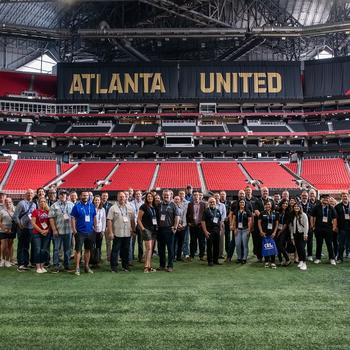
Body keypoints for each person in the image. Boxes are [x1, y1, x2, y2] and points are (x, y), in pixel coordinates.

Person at [107, 192, 135, 273]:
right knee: (115, 250)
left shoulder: (130, 208)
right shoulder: (113, 208)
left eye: (123, 197)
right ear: (117, 198)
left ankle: (125, 266)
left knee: (126, 250)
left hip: (127, 233)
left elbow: (132, 220)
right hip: (117, 233)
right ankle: (113, 267)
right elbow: (109, 220)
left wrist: (133, 230)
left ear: (126, 198)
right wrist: (110, 232)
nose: (122, 198)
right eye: (120, 197)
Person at [71, 191, 97, 275]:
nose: (85, 196)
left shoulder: (92, 205)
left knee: (88, 250)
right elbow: (73, 218)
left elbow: (94, 217)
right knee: (78, 250)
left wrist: (95, 227)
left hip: (90, 231)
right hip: (80, 232)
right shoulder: (76, 206)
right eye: (84, 195)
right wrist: (74, 230)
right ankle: (77, 268)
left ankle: (86, 266)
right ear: (80, 196)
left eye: (87, 195)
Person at [49, 189, 74, 273]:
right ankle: (56, 266)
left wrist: (74, 229)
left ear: (66, 196)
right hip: (58, 231)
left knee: (67, 249)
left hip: (69, 231)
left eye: (64, 194)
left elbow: (74, 217)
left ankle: (67, 266)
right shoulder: (54, 205)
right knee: (56, 249)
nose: (63, 196)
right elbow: (51, 218)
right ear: (58, 195)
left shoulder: (71, 204)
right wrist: (54, 229)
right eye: (61, 194)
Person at [156, 189, 180, 272]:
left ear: (171, 196)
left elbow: (177, 217)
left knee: (170, 249)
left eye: (167, 195)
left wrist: (175, 227)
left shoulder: (173, 205)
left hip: (169, 229)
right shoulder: (159, 205)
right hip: (160, 229)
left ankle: (170, 266)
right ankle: (162, 265)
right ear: (162, 196)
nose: (166, 196)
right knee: (161, 249)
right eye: (164, 195)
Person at [13, 189, 36, 272]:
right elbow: (15, 216)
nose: (30, 194)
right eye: (28, 193)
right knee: (21, 246)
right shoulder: (21, 203)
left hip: (30, 228)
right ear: (25, 195)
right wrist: (19, 225)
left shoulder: (34, 204)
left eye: (31, 193)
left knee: (26, 246)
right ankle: (20, 264)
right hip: (22, 228)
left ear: (33, 195)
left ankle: (26, 263)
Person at [311, 194, 337, 265]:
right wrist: (312, 226)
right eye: (324, 198)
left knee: (329, 244)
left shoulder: (331, 208)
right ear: (321, 199)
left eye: (327, 198)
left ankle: (332, 258)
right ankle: (318, 258)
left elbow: (334, 218)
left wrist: (334, 227)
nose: (326, 199)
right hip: (318, 228)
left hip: (328, 229)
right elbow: (312, 216)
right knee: (319, 244)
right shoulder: (316, 207)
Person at [137, 192, 157, 273]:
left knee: (151, 249)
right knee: (148, 248)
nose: (149, 198)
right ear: (146, 198)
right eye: (148, 196)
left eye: (151, 196)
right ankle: (146, 267)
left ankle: (149, 266)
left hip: (153, 230)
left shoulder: (154, 206)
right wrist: (143, 229)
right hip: (147, 229)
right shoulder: (143, 206)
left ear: (153, 198)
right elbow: (138, 219)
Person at [253, 187, 274, 262]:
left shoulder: (271, 201)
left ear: (268, 192)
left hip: (269, 225)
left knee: (268, 241)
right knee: (259, 241)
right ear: (261, 192)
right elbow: (256, 211)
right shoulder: (257, 201)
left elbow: (273, 211)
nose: (265, 192)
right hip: (259, 224)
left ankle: (268, 256)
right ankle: (259, 257)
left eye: (266, 191)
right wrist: (263, 216)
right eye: (264, 191)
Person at [31, 197, 51, 274]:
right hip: (37, 233)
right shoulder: (35, 211)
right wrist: (41, 231)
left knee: (44, 249)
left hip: (47, 233)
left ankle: (42, 266)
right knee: (37, 249)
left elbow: (51, 222)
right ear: (38, 203)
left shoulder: (48, 211)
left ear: (46, 202)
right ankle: (38, 267)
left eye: (44, 201)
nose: (42, 203)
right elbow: (33, 223)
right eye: (41, 201)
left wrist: (47, 230)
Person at [201, 197, 222, 266]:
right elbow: (203, 221)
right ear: (208, 203)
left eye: (213, 202)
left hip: (217, 231)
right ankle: (210, 261)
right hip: (209, 230)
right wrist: (205, 231)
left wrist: (221, 230)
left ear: (215, 203)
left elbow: (220, 221)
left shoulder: (218, 210)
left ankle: (216, 260)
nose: (212, 203)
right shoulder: (206, 211)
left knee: (217, 246)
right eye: (211, 202)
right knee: (209, 246)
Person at [258, 201, 279, 269]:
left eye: (269, 204)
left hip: (272, 234)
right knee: (266, 247)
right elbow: (259, 223)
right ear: (265, 205)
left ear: (271, 205)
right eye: (267, 204)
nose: (268, 206)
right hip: (264, 233)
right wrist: (261, 231)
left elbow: (276, 224)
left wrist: (274, 232)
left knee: (272, 247)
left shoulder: (275, 213)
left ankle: (273, 262)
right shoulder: (262, 213)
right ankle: (266, 261)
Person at [186, 191, 206, 261]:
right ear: (193, 196)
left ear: (199, 196)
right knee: (192, 241)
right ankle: (192, 255)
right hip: (193, 226)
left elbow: (205, 215)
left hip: (201, 226)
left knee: (202, 241)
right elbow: (187, 214)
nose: (196, 196)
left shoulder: (204, 204)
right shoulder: (190, 204)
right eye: (194, 195)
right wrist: (188, 222)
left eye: (197, 195)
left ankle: (202, 255)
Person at [231, 199, 252, 264]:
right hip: (238, 230)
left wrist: (249, 230)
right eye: (240, 202)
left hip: (245, 230)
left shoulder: (248, 211)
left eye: (243, 202)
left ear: (245, 204)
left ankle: (244, 258)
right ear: (239, 204)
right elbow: (234, 220)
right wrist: (234, 229)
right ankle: (239, 257)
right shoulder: (236, 211)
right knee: (237, 244)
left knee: (244, 244)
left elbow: (249, 221)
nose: (242, 203)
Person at [290, 203, 309, 271]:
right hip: (295, 234)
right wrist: (292, 236)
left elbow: (306, 225)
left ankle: (304, 263)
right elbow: (291, 227)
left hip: (302, 234)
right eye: (295, 206)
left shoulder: (303, 215)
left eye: (297, 206)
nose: (296, 207)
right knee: (298, 248)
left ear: (300, 207)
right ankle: (300, 261)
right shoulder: (293, 215)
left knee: (302, 248)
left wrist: (305, 234)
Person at [300, 190, 317, 261]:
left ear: (308, 197)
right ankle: (301, 255)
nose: (304, 197)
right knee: (301, 241)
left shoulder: (312, 206)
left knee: (310, 241)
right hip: (300, 226)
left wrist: (313, 225)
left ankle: (310, 255)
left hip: (309, 226)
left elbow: (314, 216)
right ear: (301, 196)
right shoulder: (298, 204)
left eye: (306, 196)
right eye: (303, 196)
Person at [0, 197, 16, 267]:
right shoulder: (2, 211)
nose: (8, 203)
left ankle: (8, 260)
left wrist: (11, 229)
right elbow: (0, 221)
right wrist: (4, 228)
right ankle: (2, 260)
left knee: (9, 246)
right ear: (4, 203)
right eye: (6, 202)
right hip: (3, 230)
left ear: (12, 202)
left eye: (9, 202)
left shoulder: (15, 210)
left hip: (12, 230)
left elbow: (16, 221)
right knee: (4, 246)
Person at [335, 192, 350, 263]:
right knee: (341, 244)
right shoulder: (338, 206)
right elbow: (335, 218)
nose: (345, 197)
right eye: (343, 196)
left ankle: (348, 254)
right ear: (341, 197)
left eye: (346, 196)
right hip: (342, 228)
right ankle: (340, 258)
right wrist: (336, 227)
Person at [275, 199, 291, 266]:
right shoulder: (278, 211)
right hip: (276, 229)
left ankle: (287, 259)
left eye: (286, 204)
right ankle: (280, 260)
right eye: (284, 203)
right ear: (281, 204)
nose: (285, 205)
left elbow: (286, 224)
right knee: (277, 245)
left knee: (280, 245)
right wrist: (276, 231)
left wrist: (280, 232)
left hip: (284, 231)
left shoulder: (288, 212)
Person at [130, 190, 144, 263]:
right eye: (136, 194)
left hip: (140, 224)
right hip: (133, 224)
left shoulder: (144, 203)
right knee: (132, 242)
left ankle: (140, 257)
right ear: (134, 195)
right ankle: (131, 257)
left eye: (139, 194)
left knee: (140, 242)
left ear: (141, 195)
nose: (138, 195)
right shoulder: (131, 203)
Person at [92, 195, 106, 267]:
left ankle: (97, 260)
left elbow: (104, 220)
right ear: (93, 201)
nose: (97, 201)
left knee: (98, 246)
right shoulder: (91, 208)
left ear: (100, 201)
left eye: (98, 200)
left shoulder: (102, 209)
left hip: (100, 230)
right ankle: (92, 260)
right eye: (95, 200)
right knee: (92, 245)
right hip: (92, 230)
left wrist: (103, 230)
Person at [173, 195, 187, 262]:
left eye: (178, 199)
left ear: (180, 200)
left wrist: (183, 225)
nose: (177, 200)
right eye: (175, 199)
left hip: (182, 227)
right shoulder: (170, 207)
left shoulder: (182, 208)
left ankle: (179, 257)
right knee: (173, 243)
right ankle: (173, 257)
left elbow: (184, 217)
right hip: (174, 227)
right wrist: (176, 225)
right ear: (173, 200)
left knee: (181, 243)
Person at [214, 193, 226, 259]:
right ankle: (214, 253)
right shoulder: (212, 204)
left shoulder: (222, 205)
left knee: (221, 239)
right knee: (213, 239)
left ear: (219, 197)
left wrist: (221, 222)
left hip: (221, 223)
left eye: (217, 196)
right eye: (215, 197)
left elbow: (224, 215)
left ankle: (220, 254)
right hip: (212, 225)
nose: (216, 198)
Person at [101, 191, 112, 261]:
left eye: (106, 196)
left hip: (108, 226)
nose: (104, 197)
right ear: (101, 196)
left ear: (107, 197)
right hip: (100, 226)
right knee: (99, 242)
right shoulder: (98, 203)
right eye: (103, 196)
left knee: (108, 242)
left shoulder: (111, 205)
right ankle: (98, 257)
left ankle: (109, 257)